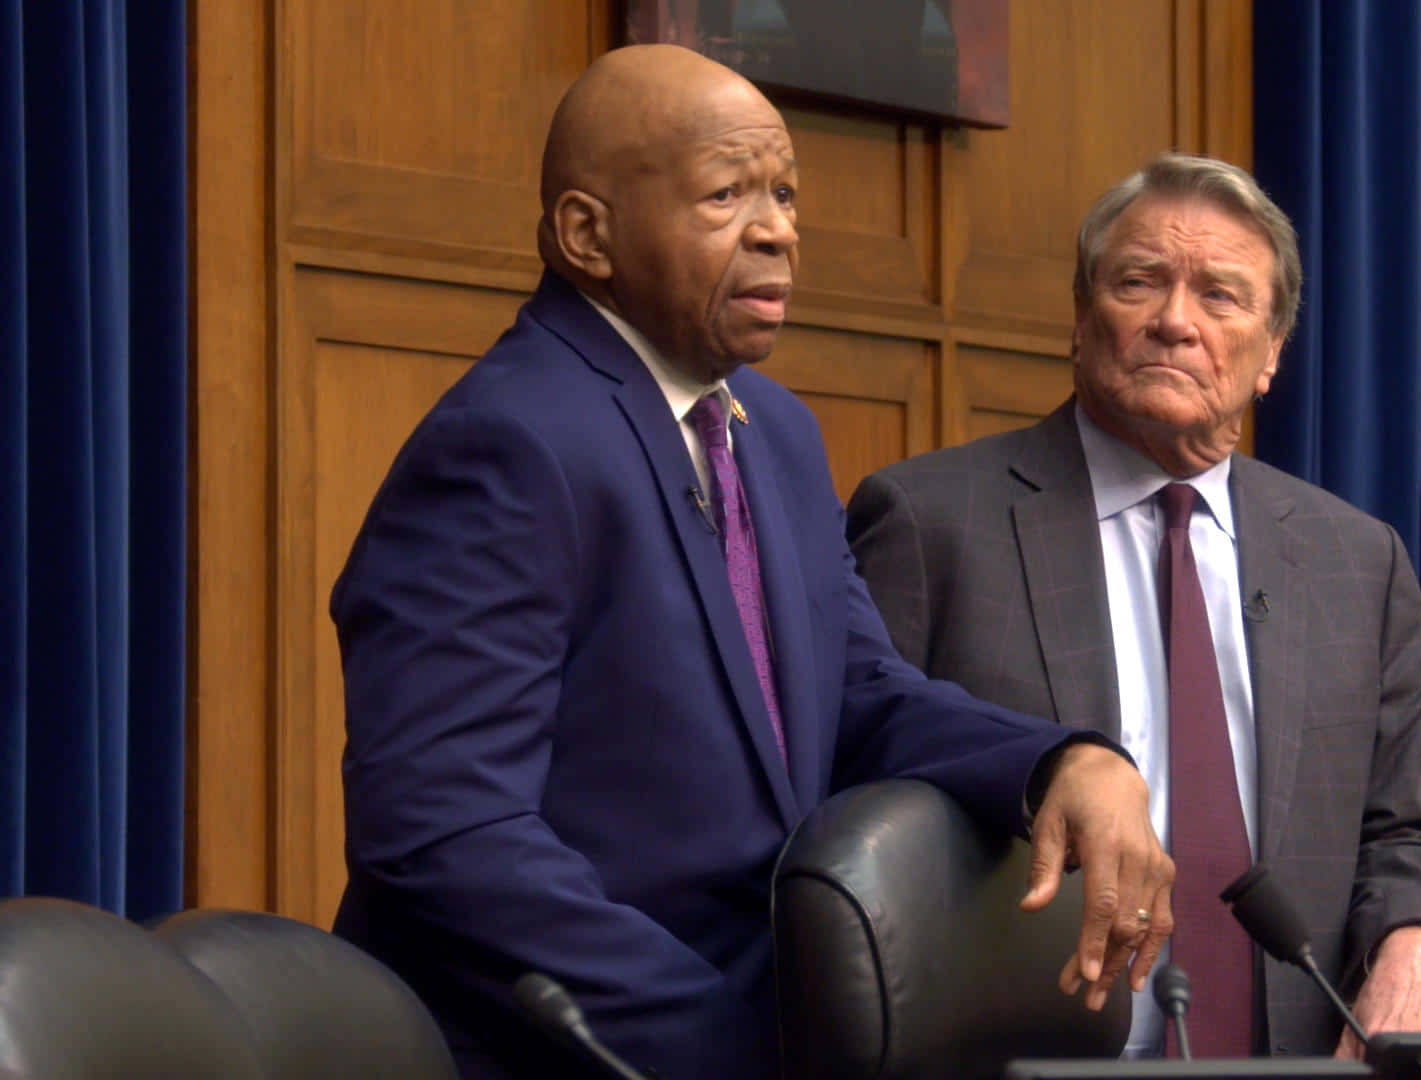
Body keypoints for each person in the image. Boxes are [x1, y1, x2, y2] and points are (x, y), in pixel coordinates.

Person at [329, 45, 1172, 1079]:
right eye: (728, 193)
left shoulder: (769, 430)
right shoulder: (510, 444)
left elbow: (857, 693)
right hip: (571, 1051)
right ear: (588, 235)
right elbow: (444, 832)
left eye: (784, 193)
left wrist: (1064, 762)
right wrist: (733, 1043)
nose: (779, 228)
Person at [847, 152, 1421, 1059]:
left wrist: (1418, 943)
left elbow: (1404, 828)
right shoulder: (930, 523)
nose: (1175, 321)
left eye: (1220, 297)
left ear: (1271, 354)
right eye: (1139, 282)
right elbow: (853, 773)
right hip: (1025, 1058)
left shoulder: (1355, 560)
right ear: (1079, 318)